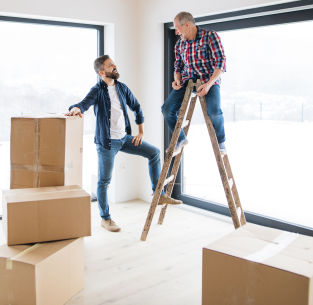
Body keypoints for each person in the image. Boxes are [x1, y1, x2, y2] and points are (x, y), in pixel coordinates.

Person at [67, 55, 181, 233]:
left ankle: (158, 194)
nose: (114, 66)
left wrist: (141, 132)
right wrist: (75, 108)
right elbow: (84, 104)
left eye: (113, 63)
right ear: (102, 72)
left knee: (154, 153)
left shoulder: (121, 88)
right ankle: (105, 219)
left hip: (124, 138)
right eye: (110, 65)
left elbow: (136, 107)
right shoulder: (97, 90)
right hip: (107, 143)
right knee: (104, 181)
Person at [161, 12, 227, 154]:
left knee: (214, 112)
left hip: (208, 80)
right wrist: (177, 79)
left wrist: (209, 84)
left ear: (187, 24)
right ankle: (180, 138)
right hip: (187, 81)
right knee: (166, 109)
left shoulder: (210, 36)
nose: (177, 32)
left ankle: (221, 141)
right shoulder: (180, 44)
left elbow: (221, 63)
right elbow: (178, 66)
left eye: (178, 28)